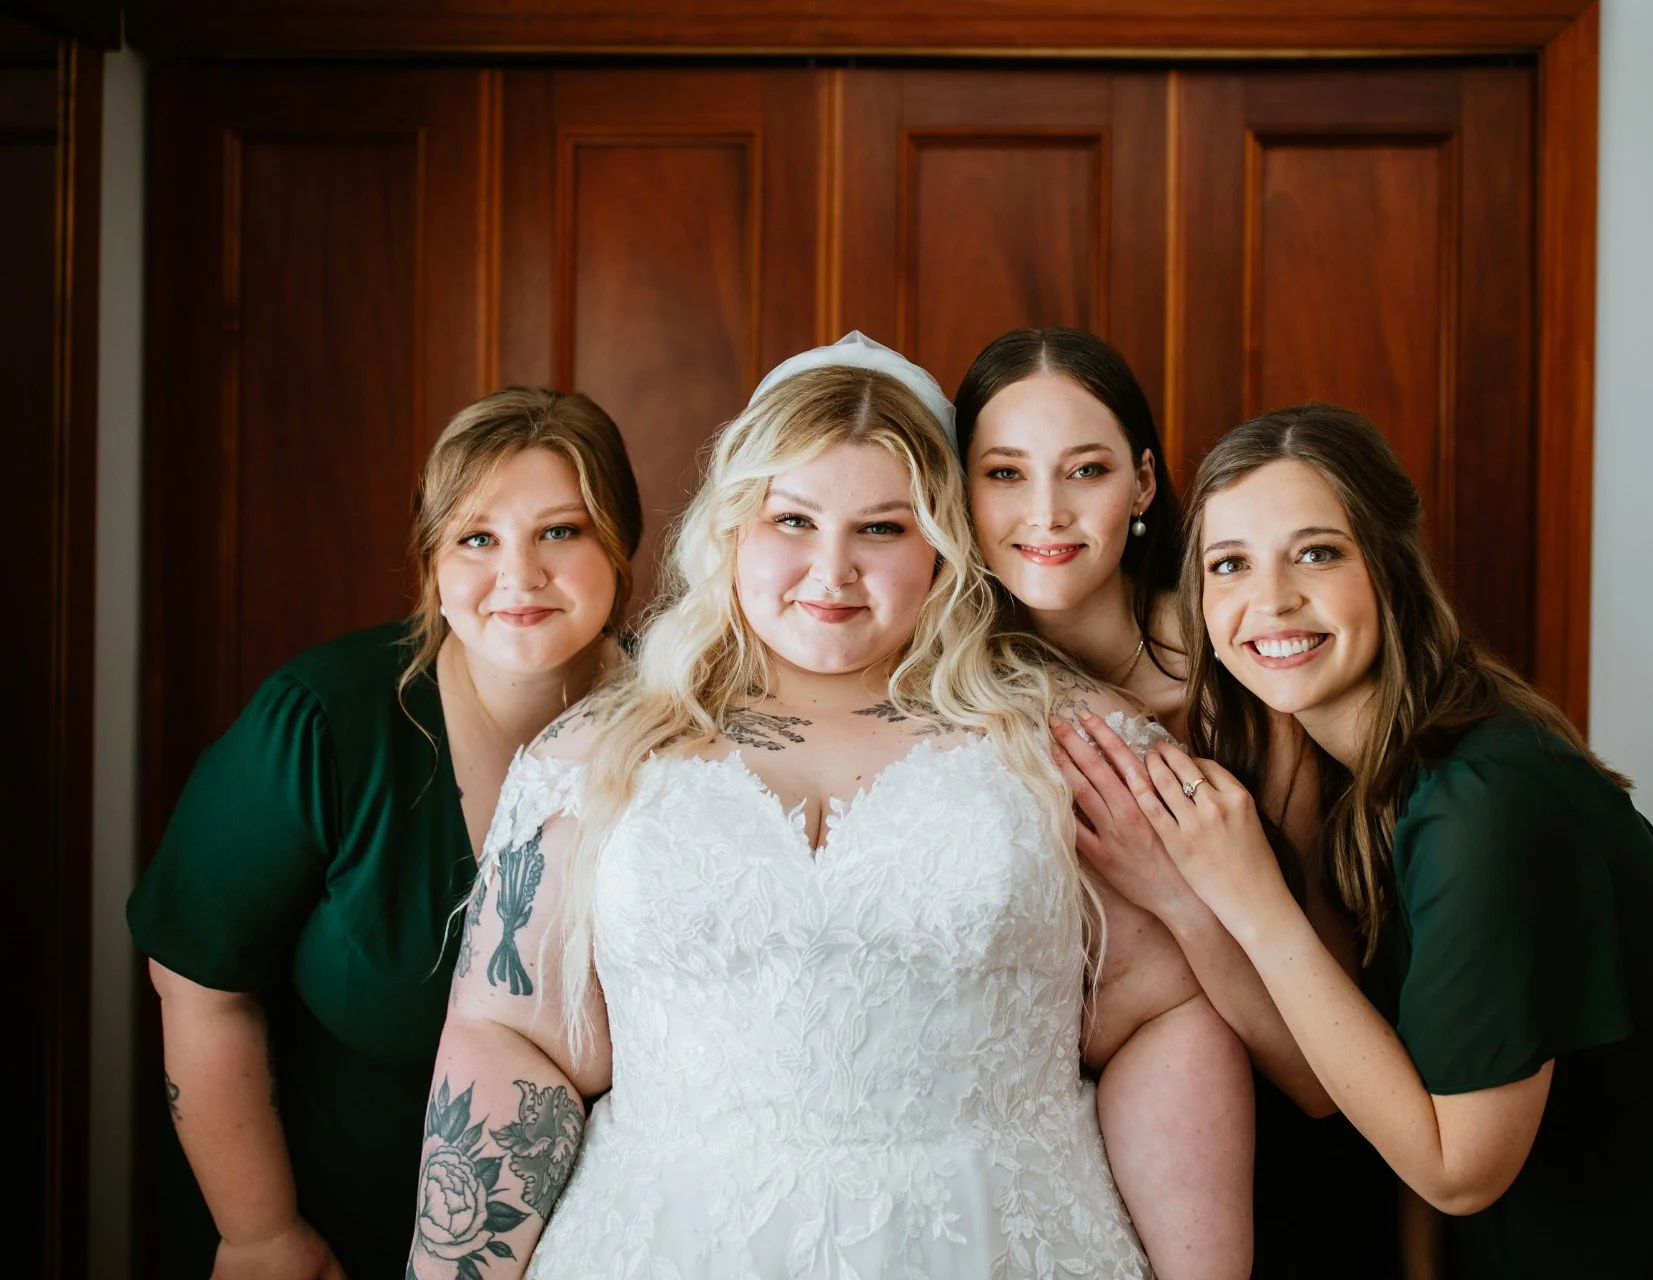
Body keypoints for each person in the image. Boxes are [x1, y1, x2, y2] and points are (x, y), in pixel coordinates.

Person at [407, 336, 1253, 1278]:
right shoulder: (592, 756)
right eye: (794, 522)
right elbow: (513, 1040)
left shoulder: (1069, 744)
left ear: (941, 540)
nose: (831, 571)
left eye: (883, 529)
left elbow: (1163, 1015)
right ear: (734, 528)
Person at [1057, 402, 1653, 1276]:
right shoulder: (1346, 765)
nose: (1271, 599)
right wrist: (1190, 895)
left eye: (1317, 553)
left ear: (1393, 567)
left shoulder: (1486, 805)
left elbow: (1457, 1171)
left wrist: (1250, 900)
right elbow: (1342, 1082)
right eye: (1230, 565)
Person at [128, 389, 644, 1279]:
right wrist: (261, 1233)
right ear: (432, 559)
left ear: (620, 540)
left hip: (620, 1244)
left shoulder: (689, 730)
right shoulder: (324, 724)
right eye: (476, 538)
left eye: (561, 531)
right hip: (332, 1241)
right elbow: (197, 985)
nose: (518, 576)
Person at [956, 329, 1399, 1275]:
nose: (1046, 512)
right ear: (960, 490)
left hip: (1275, 1173)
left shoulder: (1247, 672)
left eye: (1086, 470)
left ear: (1144, 484)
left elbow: (1323, 1078)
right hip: (1032, 1167)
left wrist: (1178, 895)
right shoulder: (942, 697)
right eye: (1004, 473)